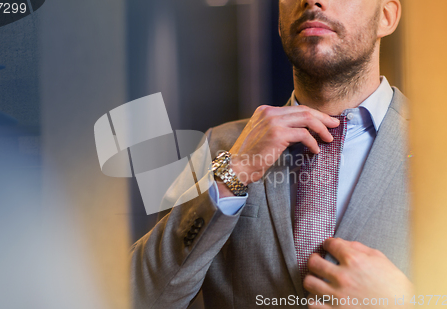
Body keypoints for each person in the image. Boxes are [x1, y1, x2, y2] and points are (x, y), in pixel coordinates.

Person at [131, 0, 413, 308]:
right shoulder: (220, 147)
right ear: (279, 19)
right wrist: (232, 175)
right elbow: (137, 298)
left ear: (386, 16)